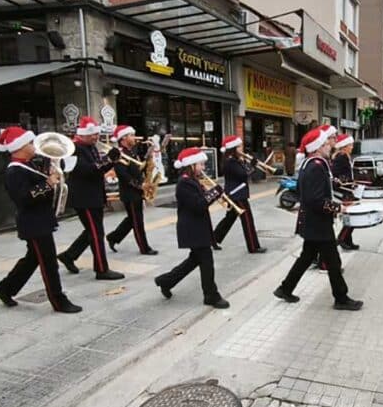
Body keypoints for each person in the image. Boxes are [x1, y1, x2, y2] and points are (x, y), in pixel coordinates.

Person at [0, 127, 81, 313]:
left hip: (41, 220)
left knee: (32, 259)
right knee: (48, 263)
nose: (34, 146)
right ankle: (58, 300)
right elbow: (24, 198)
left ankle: (4, 288)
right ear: (20, 147)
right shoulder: (14, 171)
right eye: (30, 143)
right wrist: (47, 183)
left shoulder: (29, 164)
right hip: (34, 223)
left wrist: (54, 171)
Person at [274, 127, 363, 310]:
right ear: (317, 147)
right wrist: (338, 207)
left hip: (313, 222)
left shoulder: (310, 163)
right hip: (318, 223)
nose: (329, 146)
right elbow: (315, 199)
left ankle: (285, 288)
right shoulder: (316, 166)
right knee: (333, 261)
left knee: (307, 257)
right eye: (325, 143)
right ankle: (341, 298)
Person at [154, 148, 230, 308]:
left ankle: (166, 281)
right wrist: (215, 192)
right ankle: (211, 295)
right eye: (201, 164)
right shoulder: (184, 183)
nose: (203, 168)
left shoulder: (192, 180)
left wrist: (213, 194)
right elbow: (199, 205)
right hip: (192, 228)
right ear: (191, 165)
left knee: (194, 260)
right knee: (206, 261)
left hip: (197, 227)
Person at [57, 116, 124, 281]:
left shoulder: (91, 147)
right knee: (96, 233)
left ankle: (69, 256)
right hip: (84, 198)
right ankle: (101, 269)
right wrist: (107, 159)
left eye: (96, 133)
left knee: (92, 231)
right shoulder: (74, 148)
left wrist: (111, 160)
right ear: (83, 134)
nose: (96, 136)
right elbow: (86, 170)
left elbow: (99, 169)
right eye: (92, 134)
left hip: (94, 196)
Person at [106, 125, 157, 256]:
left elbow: (137, 170)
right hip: (130, 193)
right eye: (131, 135)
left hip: (137, 191)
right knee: (137, 221)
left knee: (132, 219)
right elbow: (123, 175)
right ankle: (144, 248)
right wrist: (140, 186)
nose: (134, 137)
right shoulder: (120, 154)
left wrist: (148, 163)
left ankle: (113, 237)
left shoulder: (132, 152)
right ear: (123, 138)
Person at [212, 135, 267, 254]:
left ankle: (213, 239)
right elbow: (243, 175)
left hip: (236, 193)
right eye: (238, 147)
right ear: (233, 148)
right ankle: (253, 247)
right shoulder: (230, 161)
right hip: (237, 194)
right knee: (248, 220)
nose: (241, 149)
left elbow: (243, 173)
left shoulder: (234, 160)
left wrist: (248, 163)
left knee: (229, 219)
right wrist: (252, 165)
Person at [332, 133, 359, 250]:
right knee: (352, 216)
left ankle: (348, 241)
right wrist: (347, 181)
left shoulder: (346, 156)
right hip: (345, 191)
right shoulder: (341, 157)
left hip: (348, 189)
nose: (352, 147)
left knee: (350, 215)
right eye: (350, 145)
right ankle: (342, 238)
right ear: (344, 146)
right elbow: (336, 174)